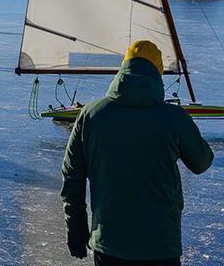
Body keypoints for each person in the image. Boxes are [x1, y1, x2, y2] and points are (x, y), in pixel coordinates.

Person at [61, 40, 213, 265]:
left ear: (123, 68)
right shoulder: (174, 117)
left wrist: (76, 230)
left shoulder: (91, 115)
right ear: (158, 73)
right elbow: (202, 163)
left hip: (109, 243)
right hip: (161, 245)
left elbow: (72, 177)